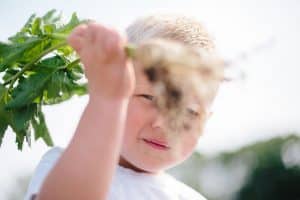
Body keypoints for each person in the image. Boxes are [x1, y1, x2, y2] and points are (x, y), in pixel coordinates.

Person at [24, 14, 221, 200]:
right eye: (149, 97)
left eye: (189, 111)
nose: (163, 123)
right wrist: (106, 99)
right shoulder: (67, 166)